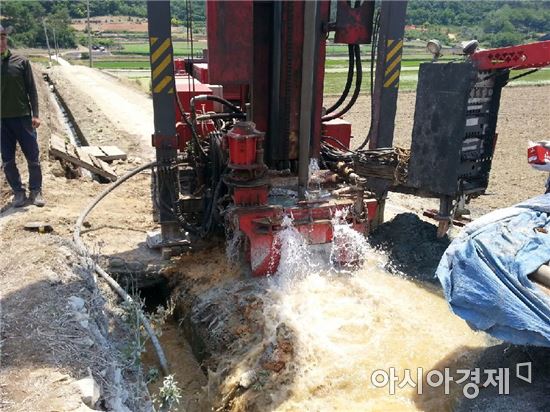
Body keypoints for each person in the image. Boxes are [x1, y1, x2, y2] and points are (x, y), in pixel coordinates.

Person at [1, 24, 45, 207]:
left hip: (23, 118)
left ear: (6, 39)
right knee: (8, 160)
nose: (0, 41)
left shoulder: (21, 62)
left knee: (32, 157)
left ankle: (36, 191)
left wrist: (35, 114)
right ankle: (18, 192)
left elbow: (32, 90)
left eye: (2, 37)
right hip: (2, 121)